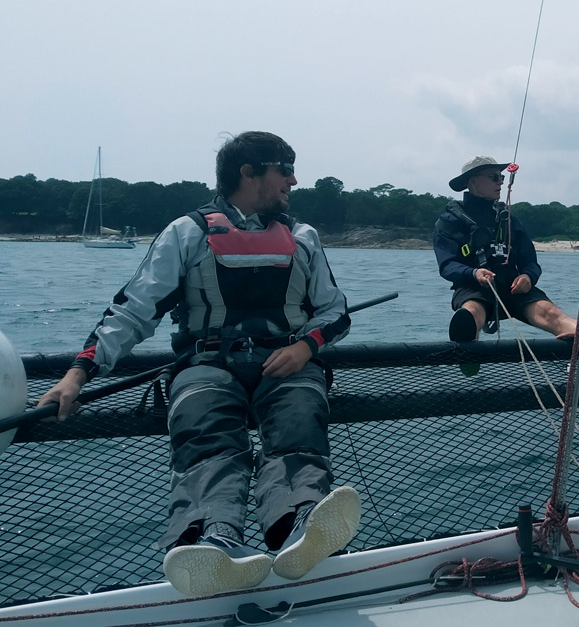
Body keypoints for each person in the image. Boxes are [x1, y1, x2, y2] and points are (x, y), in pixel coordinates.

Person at [36, 131, 360, 597]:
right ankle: (214, 538)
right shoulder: (187, 233)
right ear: (248, 173)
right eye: (284, 167)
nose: (294, 178)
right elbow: (133, 311)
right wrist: (77, 373)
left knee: (299, 422)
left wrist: (305, 348)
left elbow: (334, 312)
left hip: (289, 362)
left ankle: (302, 523)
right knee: (204, 430)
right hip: (208, 364)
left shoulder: (303, 237)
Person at [434, 155, 578, 341]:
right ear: (473, 181)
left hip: (514, 287)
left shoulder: (510, 220)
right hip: (474, 287)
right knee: (472, 312)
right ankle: (467, 350)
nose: (500, 182)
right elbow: (447, 265)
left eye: (501, 177)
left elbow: (530, 262)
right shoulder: (449, 222)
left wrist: (528, 276)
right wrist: (474, 274)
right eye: (494, 177)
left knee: (551, 313)